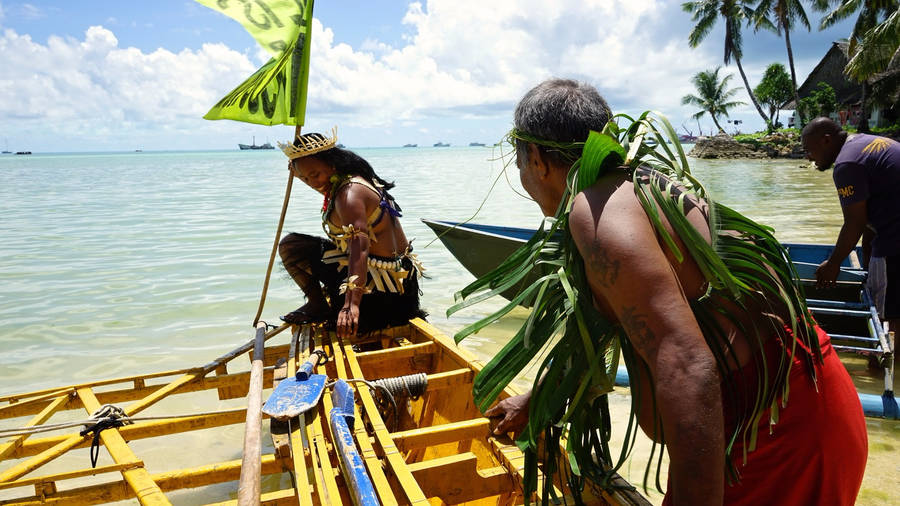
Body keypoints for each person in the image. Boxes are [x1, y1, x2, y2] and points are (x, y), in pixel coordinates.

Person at [484, 80, 867, 505]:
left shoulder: (594, 214)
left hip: (777, 427)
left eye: (518, 161)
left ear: (536, 159)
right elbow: (610, 330)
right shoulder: (639, 186)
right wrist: (537, 399)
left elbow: (687, 365)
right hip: (810, 399)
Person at [277, 129, 426, 338]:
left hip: (384, 294)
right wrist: (297, 167)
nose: (312, 183)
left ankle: (325, 305)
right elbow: (306, 170)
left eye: (315, 175)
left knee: (290, 247)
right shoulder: (349, 178)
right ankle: (317, 304)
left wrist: (351, 304)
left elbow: (360, 249)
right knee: (292, 244)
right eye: (304, 178)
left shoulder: (348, 194)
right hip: (398, 285)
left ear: (332, 163)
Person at [802, 117, 900, 334]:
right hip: (891, 224)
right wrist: (868, 262)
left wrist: (833, 264)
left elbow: (854, 222)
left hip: (895, 238)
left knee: (892, 315)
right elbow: (868, 218)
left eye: (808, 149)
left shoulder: (847, 164)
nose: (808, 157)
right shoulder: (863, 143)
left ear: (826, 140)